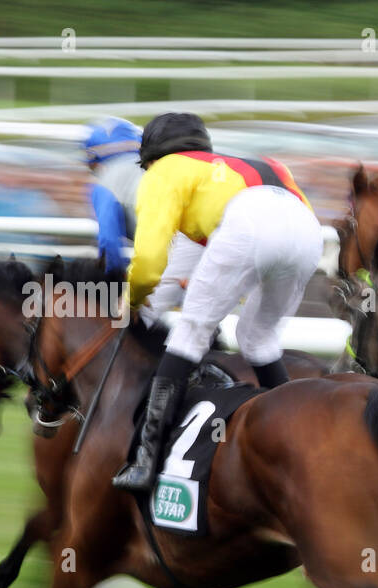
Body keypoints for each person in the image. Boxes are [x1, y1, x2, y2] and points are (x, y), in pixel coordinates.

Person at [113, 112, 323, 493]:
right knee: (257, 337)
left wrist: (132, 302)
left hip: (250, 225)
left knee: (190, 335)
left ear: (152, 158)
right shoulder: (247, 167)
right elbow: (269, 238)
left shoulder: (165, 172)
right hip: (308, 232)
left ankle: (145, 461)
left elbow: (147, 266)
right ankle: (297, 432)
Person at [81, 116, 201, 325]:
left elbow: (109, 245)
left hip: (180, 251)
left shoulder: (104, 183)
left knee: (131, 324)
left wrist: (113, 289)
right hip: (214, 240)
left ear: (93, 161)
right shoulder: (159, 166)